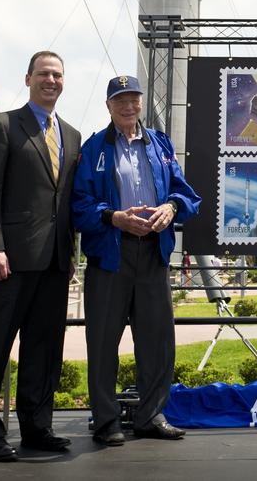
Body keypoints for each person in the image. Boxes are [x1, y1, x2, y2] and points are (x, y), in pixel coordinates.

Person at [72, 75, 200, 446]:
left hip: (154, 254)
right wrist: (113, 216)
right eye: (120, 100)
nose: (128, 107)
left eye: (134, 100)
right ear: (108, 105)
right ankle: (106, 420)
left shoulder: (160, 145)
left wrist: (170, 207)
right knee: (102, 340)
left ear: (141, 103)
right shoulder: (95, 146)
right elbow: (78, 205)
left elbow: (187, 196)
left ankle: (151, 415)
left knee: (157, 339)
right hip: (111, 253)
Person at [0, 51, 81, 462]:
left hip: (53, 262)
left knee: (44, 349)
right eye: (44, 74)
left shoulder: (72, 134)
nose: (51, 80)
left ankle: (38, 427)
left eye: (58, 74)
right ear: (29, 78)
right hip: (8, 260)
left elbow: (64, 199)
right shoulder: (1, 125)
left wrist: (67, 252)